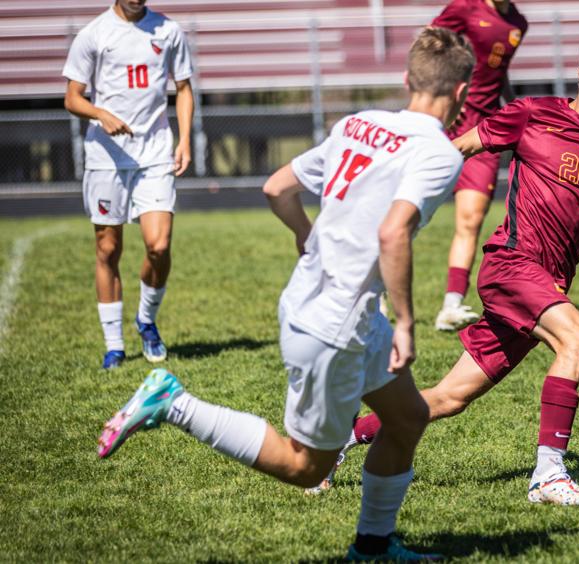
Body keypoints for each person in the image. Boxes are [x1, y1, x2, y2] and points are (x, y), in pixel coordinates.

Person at [95, 27, 475, 561]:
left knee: (407, 417)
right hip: (332, 325)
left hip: (337, 310)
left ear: (408, 79)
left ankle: (372, 546)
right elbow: (392, 233)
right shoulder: (439, 153)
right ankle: (172, 403)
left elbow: (277, 187)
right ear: (461, 94)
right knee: (305, 467)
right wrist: (409, 322)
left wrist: (304, 232)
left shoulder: (358, 122)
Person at [316, 31, 579, 504]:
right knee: (577, 340)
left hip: (547, 282)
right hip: (510, 265)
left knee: (449, 397)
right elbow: (460, 147)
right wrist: (393, 186)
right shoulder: (534, 115)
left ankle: (335, 443)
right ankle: (549, 475)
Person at [63, 0, 194, 369]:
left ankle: (147, 320)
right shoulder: (93, 34)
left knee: (159, 244)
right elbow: (72, 97)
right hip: (106, 158)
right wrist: (100, 113)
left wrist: (183, 139)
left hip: (154, 154)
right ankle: (114, 345)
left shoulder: (168, 31)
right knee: (108, 248)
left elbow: (183, 88)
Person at [431, 0, 529, 332]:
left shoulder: (518, 23)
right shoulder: (464, 7)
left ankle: (451, 305)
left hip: (483, 131)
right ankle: (376, 289)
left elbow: (498, 73)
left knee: (471, 219)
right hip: (444, 122)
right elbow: (428, 46)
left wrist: (515, 108)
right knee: (407, 213)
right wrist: (443, 97)